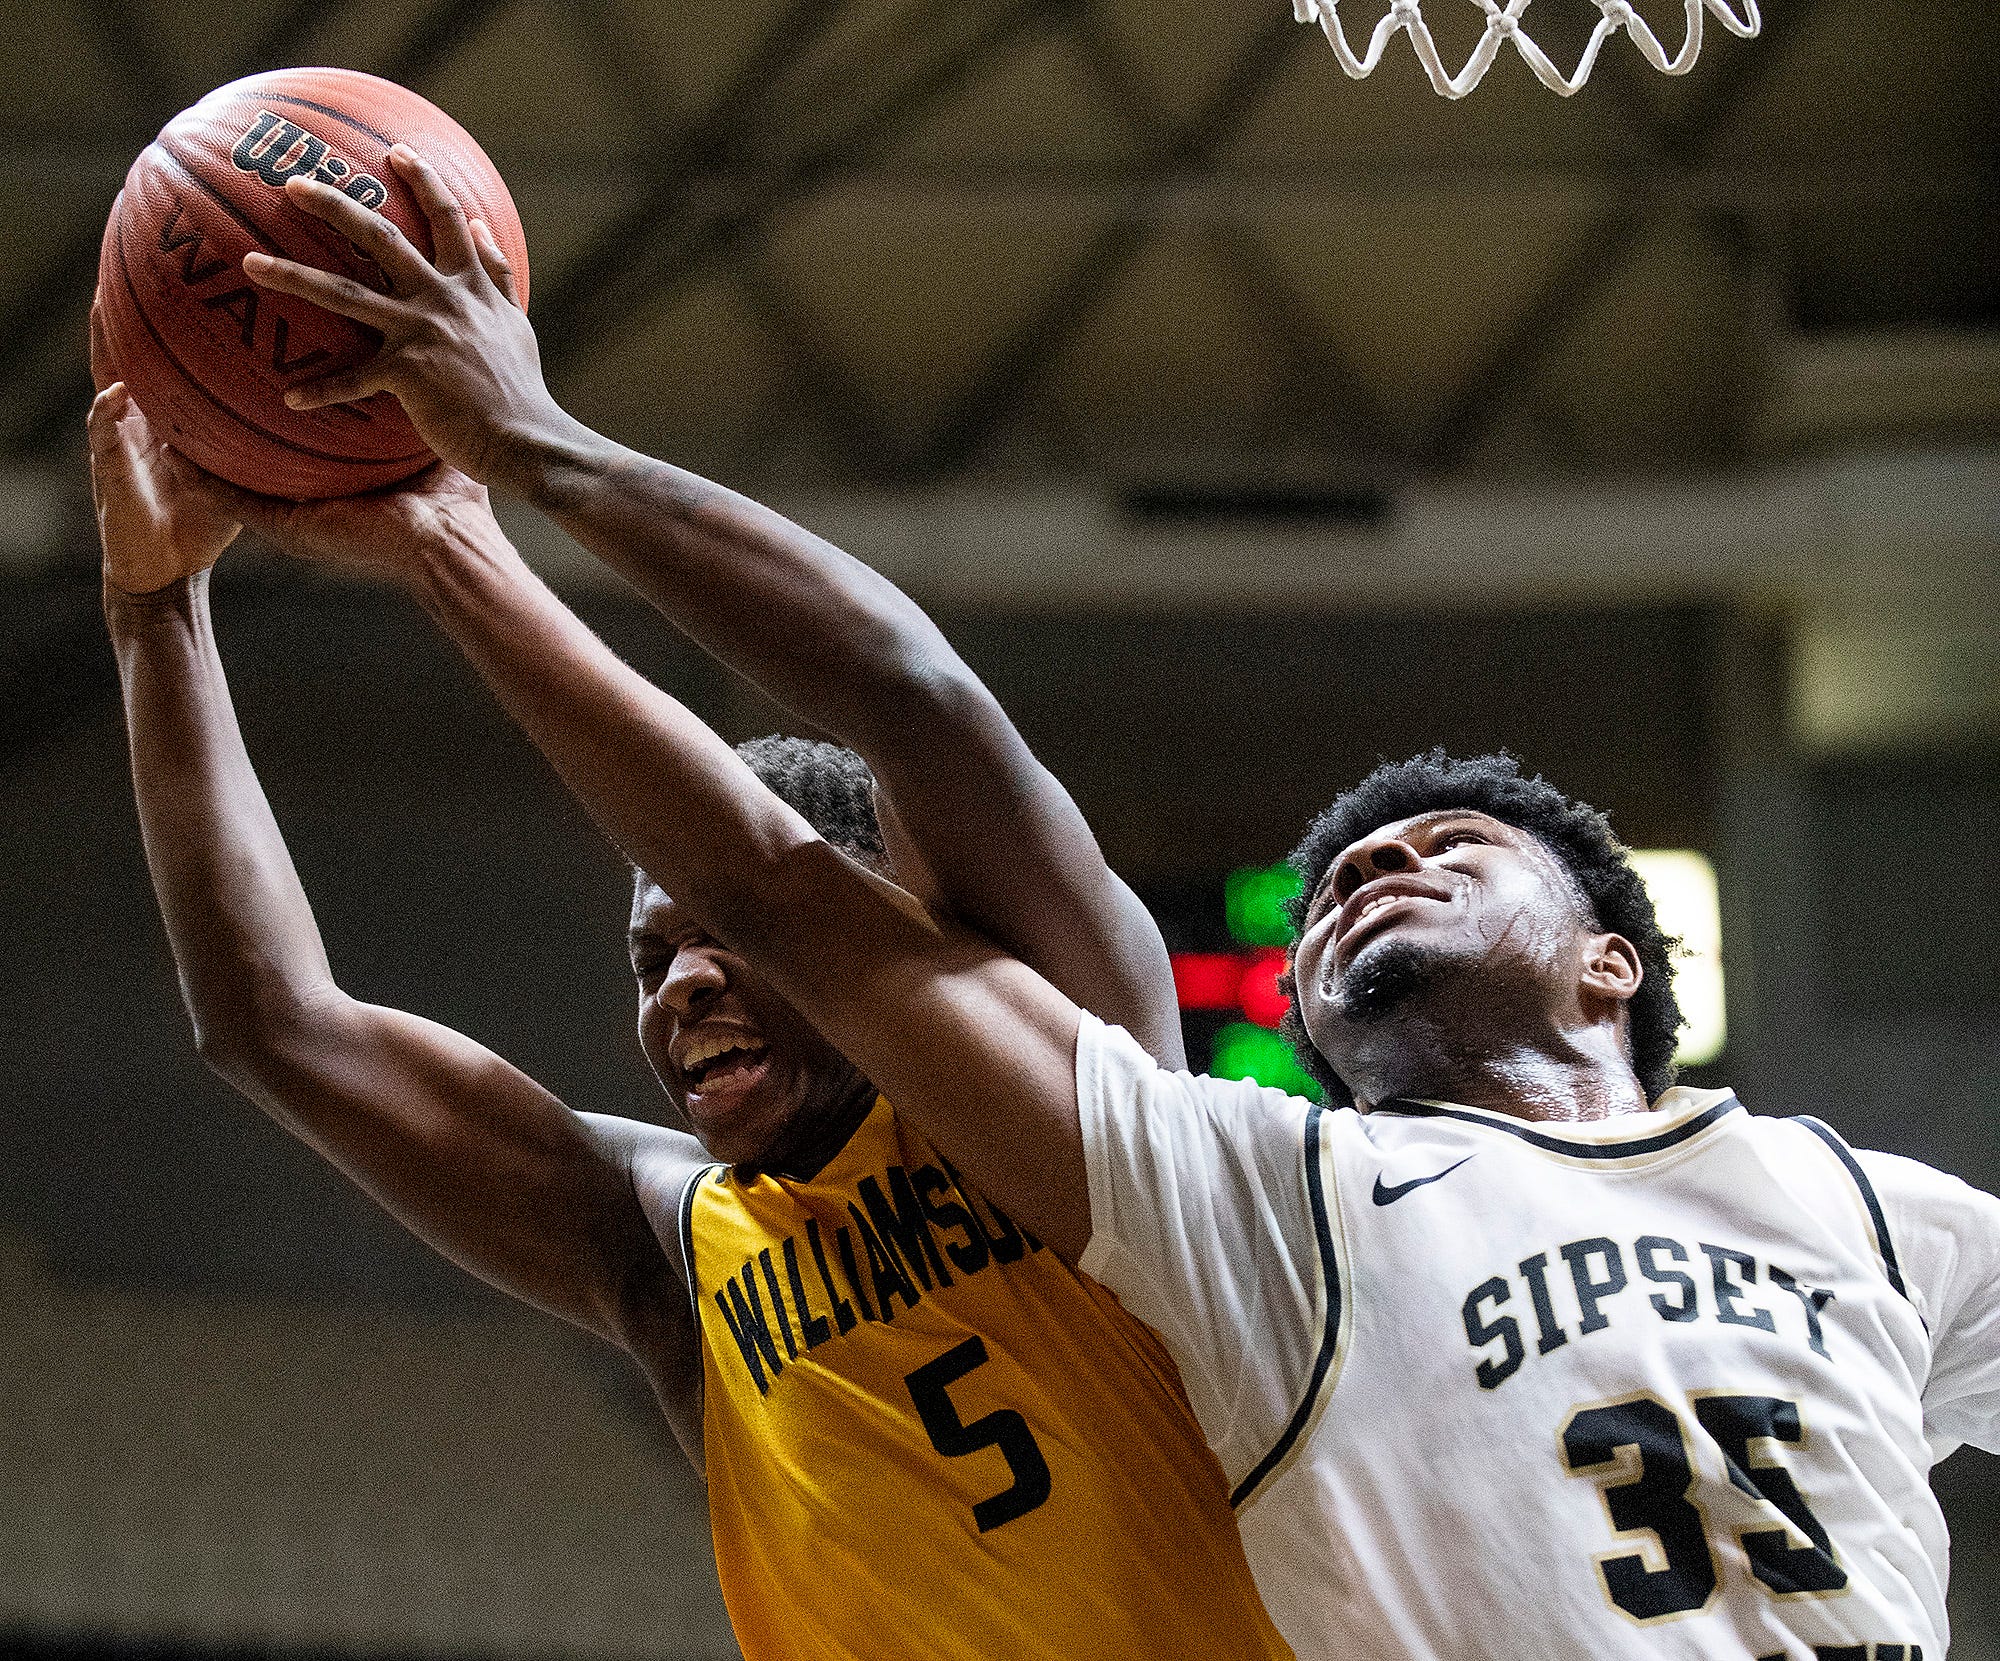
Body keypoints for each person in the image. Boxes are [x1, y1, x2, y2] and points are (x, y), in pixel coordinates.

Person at [228, 146, 2000, 1661]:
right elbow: (772, 877)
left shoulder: (1854, 1203)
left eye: (1450, 842)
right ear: (1304, 1029)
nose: (1374, 860)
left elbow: (846, 804)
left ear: (1617, 957)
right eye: (1330, 893)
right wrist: (487, 499)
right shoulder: (1279, 1193)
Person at [89, 365, 1287, 1653]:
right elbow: (278, 1028)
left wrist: (487, 499)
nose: (681, 989)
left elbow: (921, 702)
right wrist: (157, 610)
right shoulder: (669, 1238)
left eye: (725, 938)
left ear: (867, 920)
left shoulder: (1086, 1078)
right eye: (649, 961)